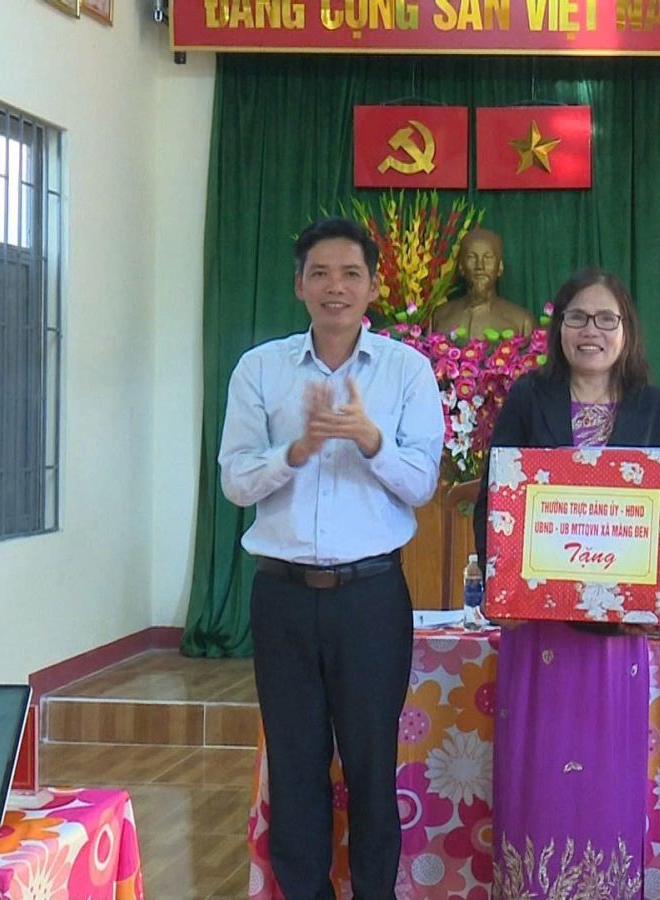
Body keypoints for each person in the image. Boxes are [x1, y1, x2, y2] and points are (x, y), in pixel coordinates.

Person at [217, 217, 443, 900]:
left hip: (370, 597)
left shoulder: (406, 370)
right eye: (320, 273)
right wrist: (297, 450)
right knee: (294, 762)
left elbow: (422, 484)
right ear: (299, 285)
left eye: (350, 274)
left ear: (373, 287)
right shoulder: (260, 369)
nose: (334, 287)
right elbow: (236, 482)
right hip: (282, 595)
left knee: (372, 763)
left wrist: (370, 440)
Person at [474, 268, 660, 898]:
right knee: (539, 772)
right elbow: (495, 497)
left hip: (617, 637)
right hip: (538, 629)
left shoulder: (656, 406)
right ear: (558, 327)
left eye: (606, 319)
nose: (591, 331)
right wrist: (501, 587)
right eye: (577, 317)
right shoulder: (527, 398)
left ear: (627, 330)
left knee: (607, 775)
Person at [429, 227, 538, 337]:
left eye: (488, 257)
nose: (480, 266)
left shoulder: (522, 322)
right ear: (461, 267)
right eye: (472, 257)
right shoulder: (439, 317)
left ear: (500, 267)